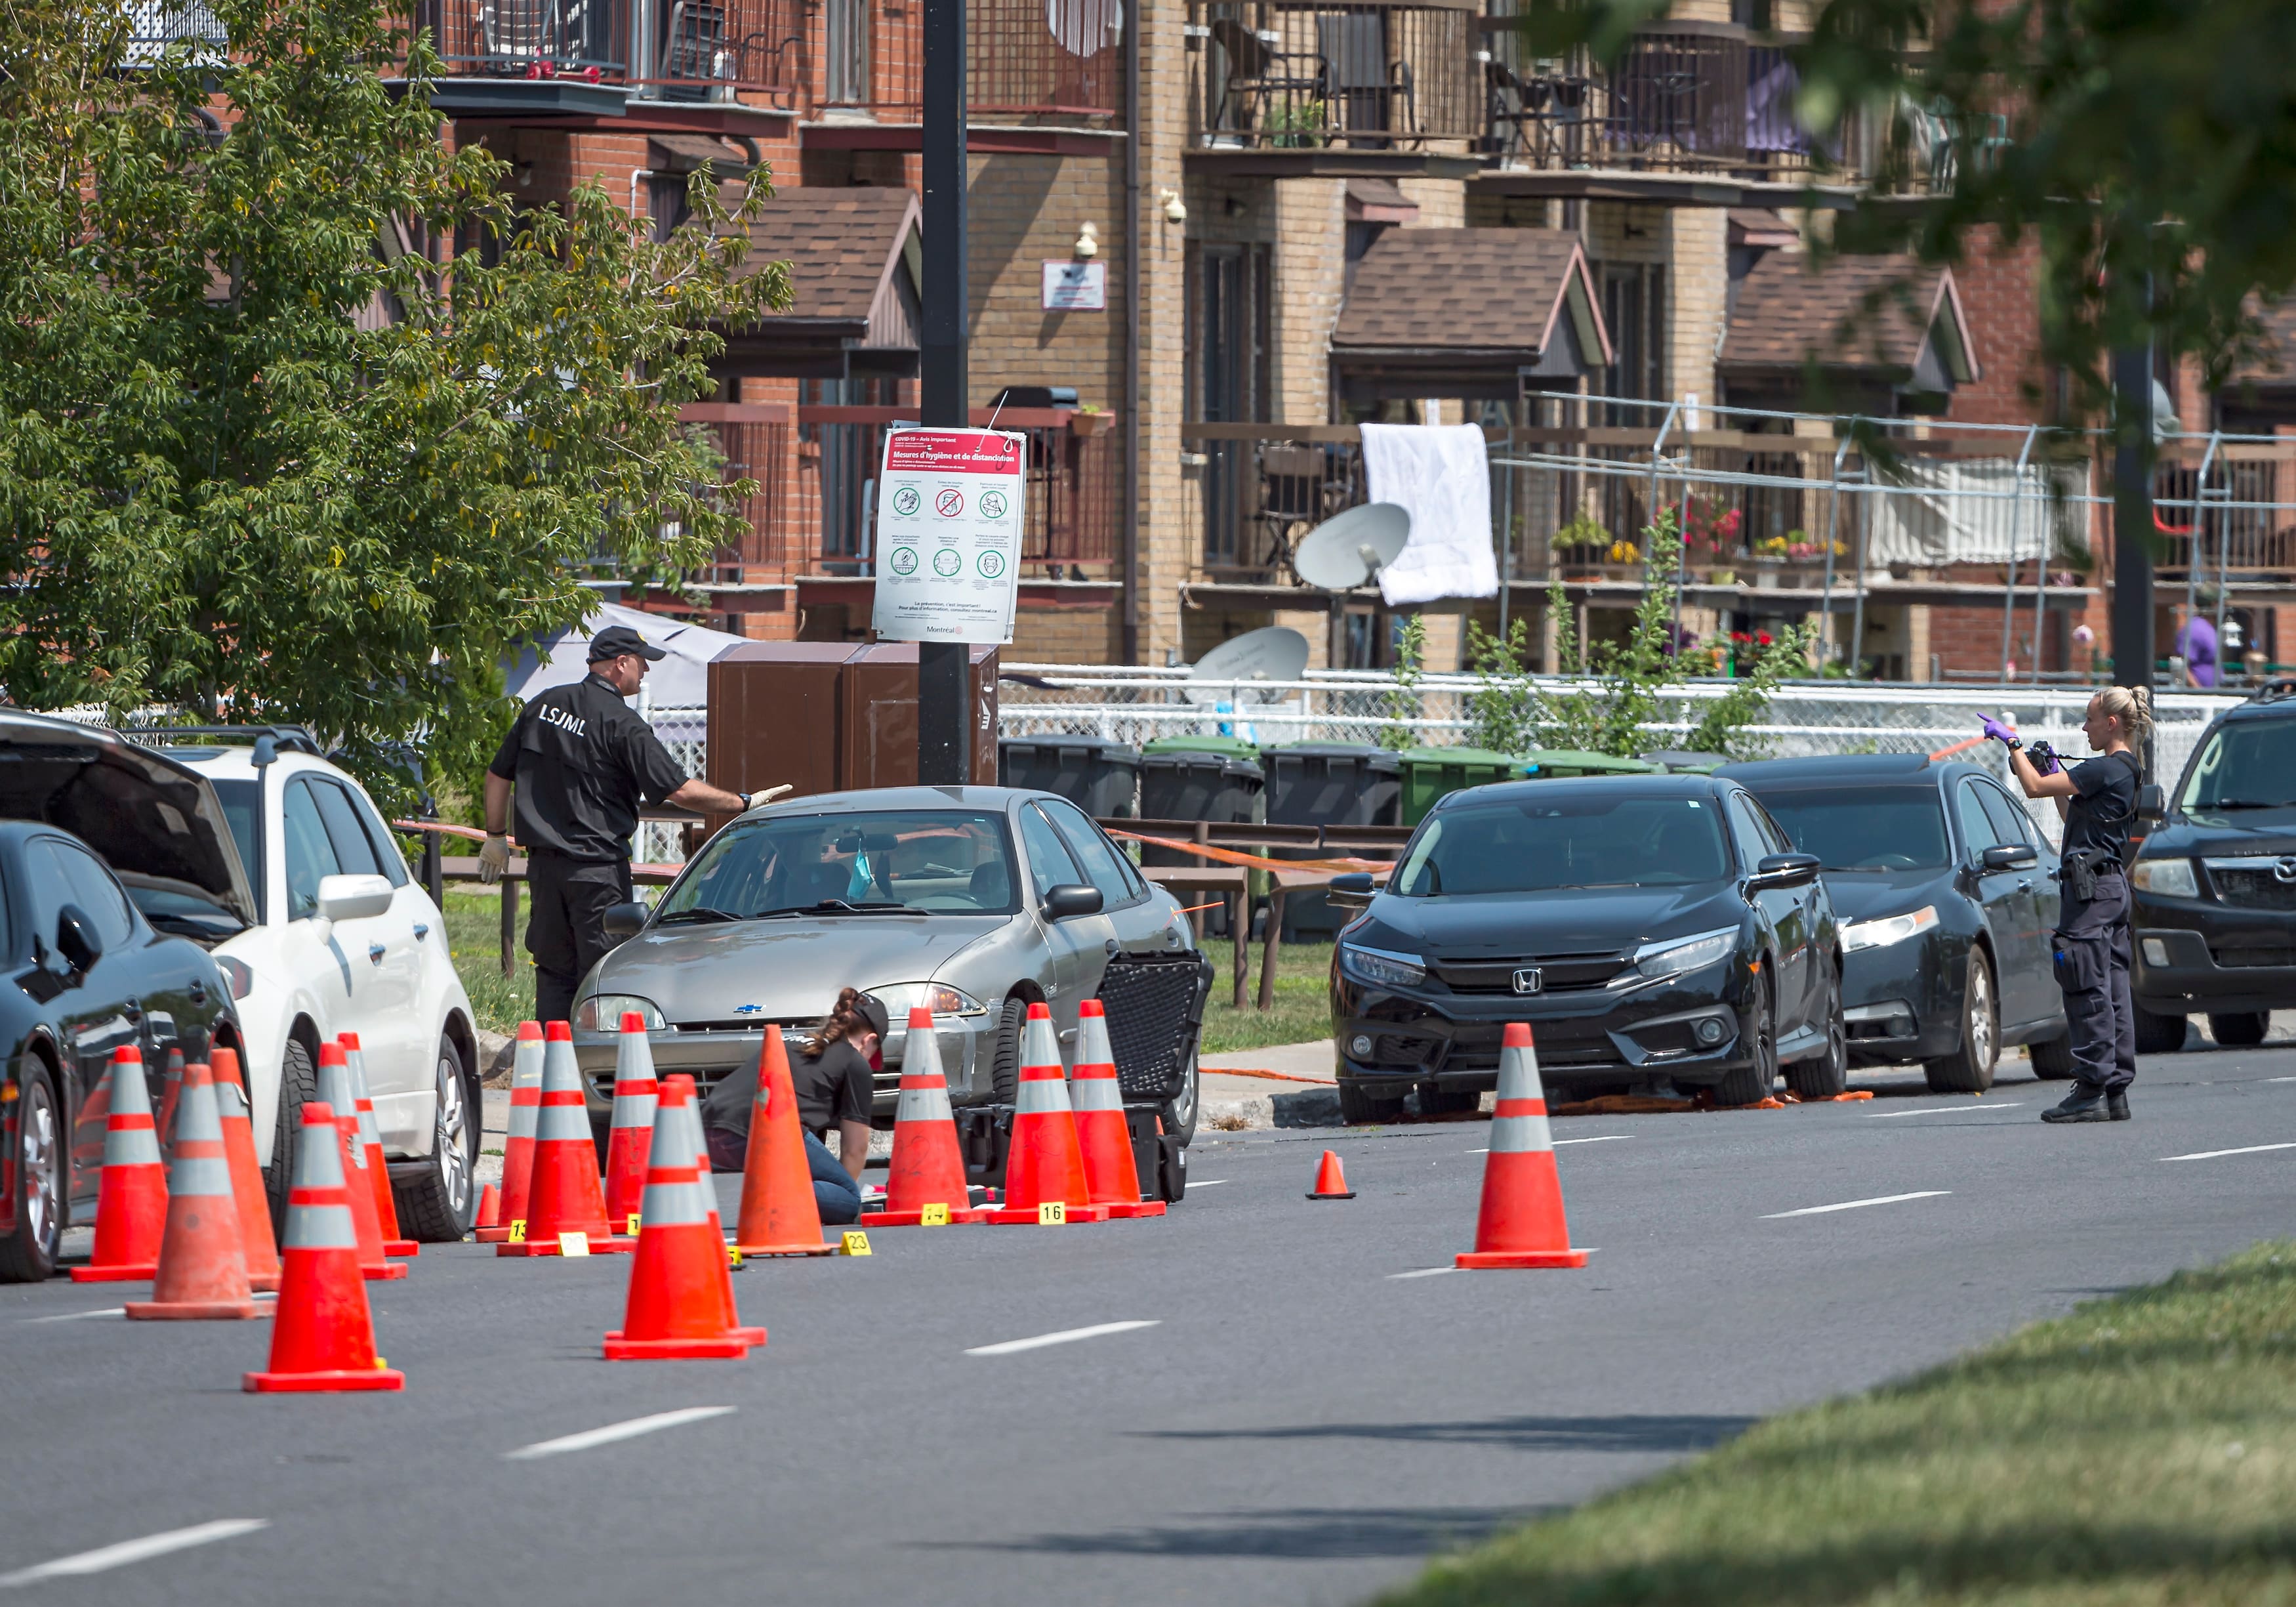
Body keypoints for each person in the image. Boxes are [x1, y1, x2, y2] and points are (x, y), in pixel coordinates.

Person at [480, 623, 785, 1026]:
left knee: (553, 972)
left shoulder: (543, 704)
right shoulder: (623, 724)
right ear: (621, 663)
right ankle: (600, 1056)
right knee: (604, 973)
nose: (646, 671)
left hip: (545, 870)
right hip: (597, 872)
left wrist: (495, 837)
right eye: (642, 662)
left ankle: (553, 1057)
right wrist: (742, 802)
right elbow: (681, 791)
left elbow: (497, 775)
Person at [1982, 686, 2150, 1123]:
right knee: (2112, 989)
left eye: (2090, 719)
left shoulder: (2105, 768)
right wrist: (2056, 771)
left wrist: (2012, 743)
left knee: (2084, 982)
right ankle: (2114, 1091)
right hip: (2110, 888)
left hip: (2091, 893)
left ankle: (2091, 1088)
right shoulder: (2127, 770)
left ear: (2111, 723)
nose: (2084, 727)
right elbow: (2070, 810)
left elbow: (2033, 787)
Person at [699, 988, 886, 1225]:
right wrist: (839, 1196)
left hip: (708, 1132)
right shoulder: (855, 1062)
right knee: (847, 1200)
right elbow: (855, 1149)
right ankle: (778, 1194)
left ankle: (780, 1191)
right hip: (760, 1135)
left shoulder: (793, 1043)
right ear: (870, 1040)